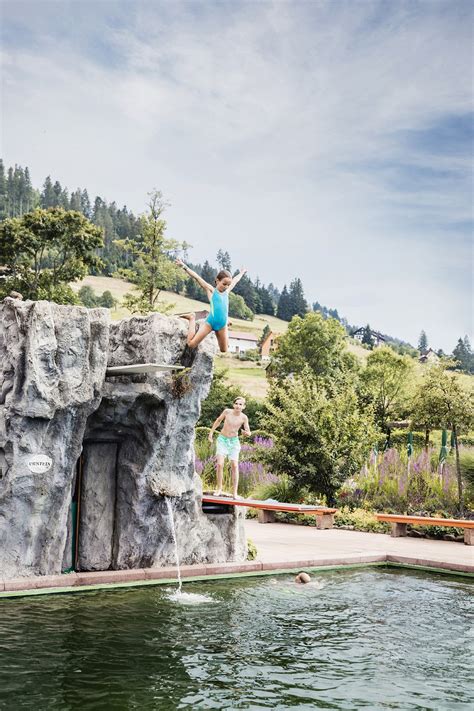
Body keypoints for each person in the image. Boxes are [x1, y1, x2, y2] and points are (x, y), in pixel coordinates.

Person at [175, 258, 247, 352]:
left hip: (222, 325)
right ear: (217, 280)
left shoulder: (227, 292)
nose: (226, 287)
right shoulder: (211, 291)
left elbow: (235, 280)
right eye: (224, 284)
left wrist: (242, 273)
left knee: (224, 350)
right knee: (191, 344)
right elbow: (197, 277)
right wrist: (184, 266)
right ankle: (192, 318)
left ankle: (226, 323)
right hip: (210, 323)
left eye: (228, 285)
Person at [208, 397, 251, 497]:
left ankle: (234, 493)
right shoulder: (227, 412)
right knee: (219, 464)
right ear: (233, 405)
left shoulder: (244, 417)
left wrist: (246, 433)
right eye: (236, 403)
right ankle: (219, 488)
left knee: (235, 465)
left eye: (240, 404)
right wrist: (211, 433)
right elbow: (218, 420)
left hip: (234, 442)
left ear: (243, 407)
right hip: (222, 440)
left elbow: (249, 431)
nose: (238, 406)